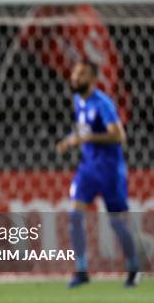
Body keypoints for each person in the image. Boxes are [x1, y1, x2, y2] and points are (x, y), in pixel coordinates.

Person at [56, 60, 140, 288]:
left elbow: (118, 135)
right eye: (74, 73)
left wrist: (88, 138)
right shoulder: (77, 101)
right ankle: (81, 270)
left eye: (81, 74)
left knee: (116, 222)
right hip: (88, 169)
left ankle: (133, 267)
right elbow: (84, 130)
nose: (75, 78)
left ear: (93, 79)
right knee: (74, 215)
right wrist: (70, 141)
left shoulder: (103, 103)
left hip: (110, 170)